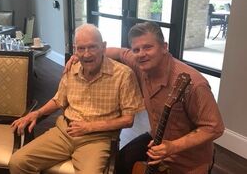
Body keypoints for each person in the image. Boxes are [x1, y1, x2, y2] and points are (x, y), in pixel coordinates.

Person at [65, 21, 224, 174]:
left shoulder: (194, 84)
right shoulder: (139, 63)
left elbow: (214, 128)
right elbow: (119, 52)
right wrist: (85, 56)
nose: (141, 54)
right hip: (157, 139)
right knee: (120, 163)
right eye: (136, 49)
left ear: (164, 47)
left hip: (188, 157)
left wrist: (173, 147)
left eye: (148, 47)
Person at [9, 23, 143, 174]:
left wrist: (90, 127)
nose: (86, 54)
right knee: (18, 162)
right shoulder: (71, 68)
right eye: (81, 48)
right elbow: (59, 100)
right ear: (75, 50)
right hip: (64, 132)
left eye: (92, 47)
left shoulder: (123, 75)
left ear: (103, 47)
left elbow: (128, 120)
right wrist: (37, 113)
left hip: (96, 139)